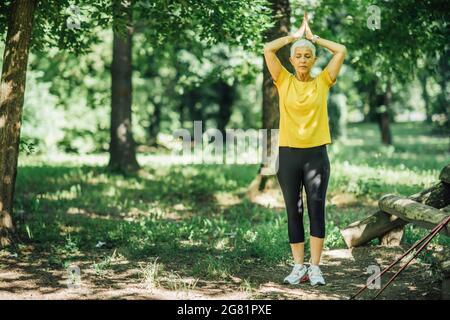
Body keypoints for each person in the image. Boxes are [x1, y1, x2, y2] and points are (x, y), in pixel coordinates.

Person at [263, 12, 347, 286]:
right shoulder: (283, 80)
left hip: (316, 155)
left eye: (307, 55)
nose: (302, 59)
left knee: (316, 208)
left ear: (313, 60)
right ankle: (298, 267)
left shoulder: (323, 81)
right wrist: (295, 37)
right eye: (297, 55)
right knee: (293, 210)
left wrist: (314, 39)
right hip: (288, 155)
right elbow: (267, 49)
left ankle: (315, 267)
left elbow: (342, 50)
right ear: (291, 59)